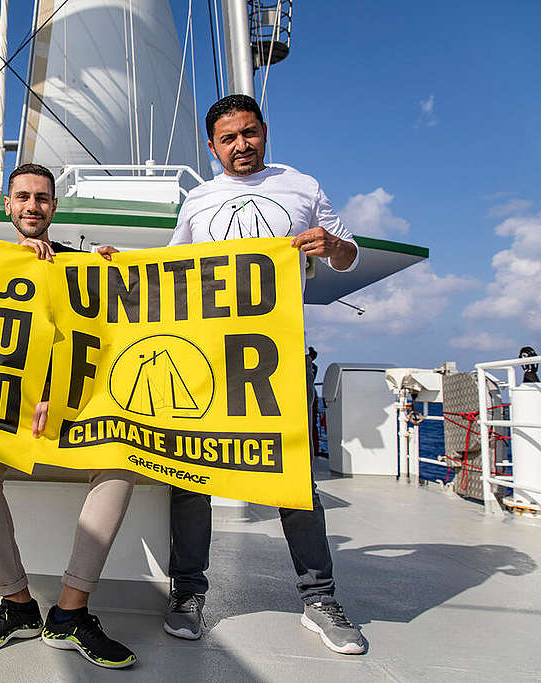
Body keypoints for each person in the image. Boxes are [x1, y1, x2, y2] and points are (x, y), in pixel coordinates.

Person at [163, 94, 367, 655]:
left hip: (277, 356)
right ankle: (187, 591)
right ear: (212, 146)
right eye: (228, 139)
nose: (240, 146)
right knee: (190, 477)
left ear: (264, 132)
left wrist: (334, 247)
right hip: (206, 355)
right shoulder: (197, 200)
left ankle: (319, 599)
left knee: (294, 479)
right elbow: (170, 273)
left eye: (249, 133)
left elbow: (350, 256)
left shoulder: (303, 187)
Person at [0, 163, 137, 670]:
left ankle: (71, 612)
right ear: (7, 206)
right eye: (23, 197)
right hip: (9, 426)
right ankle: (17, 605)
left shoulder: (83, 266)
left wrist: (109, 268)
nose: (33, 206)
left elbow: (114, 336)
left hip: (74, 425)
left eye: (42, 198)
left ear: (54, 207)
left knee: (122, 467)